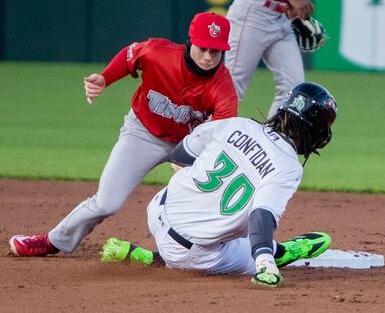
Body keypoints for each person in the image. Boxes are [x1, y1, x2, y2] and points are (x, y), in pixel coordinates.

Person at [8, 12, 239, 257]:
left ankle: (230, 252)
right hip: (143, 133)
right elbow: (130, 57)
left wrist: (190, 160)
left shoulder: (223, 87)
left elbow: (220, 137)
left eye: (216, 51)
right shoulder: (158, 53)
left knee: (217, 197)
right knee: (107, 202)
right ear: (191, 41)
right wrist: (105, 78)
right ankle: (52, 241)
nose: (208, 57)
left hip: (189, 144)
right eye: (203, 48)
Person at [99, 82, 338, 288]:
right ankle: (282, 252)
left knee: (214, 223)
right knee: (245, 246)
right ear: (316, 130)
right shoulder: (288, 165)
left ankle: (149, 256)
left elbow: (180, 157)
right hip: (190, 255)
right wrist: (265, 265)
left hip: (156, 211)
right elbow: (261, 215)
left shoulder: (238, 124)